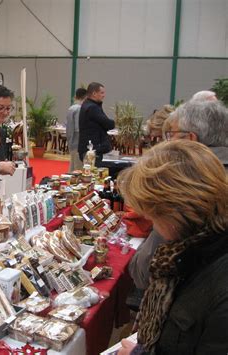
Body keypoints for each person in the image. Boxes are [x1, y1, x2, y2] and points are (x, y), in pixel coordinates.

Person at [118, 140, 228, 355]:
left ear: (174, 215)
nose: (152, 225)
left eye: (152, 217)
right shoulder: (188, 251)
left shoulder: (218, 285)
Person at [128, 99, 228, 294]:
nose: (166, 142)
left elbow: (144, 271)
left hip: (191, 303)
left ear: (190, 139)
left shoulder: (188, 185)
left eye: (170, 135)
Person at [78, 82, 115, 167]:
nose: (104, 95)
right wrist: (113, 123)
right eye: (101, 93)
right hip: (93, 149)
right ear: (94, 93)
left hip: (89, 148)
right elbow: (108, 124)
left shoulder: (87, 105)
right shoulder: (92, 108)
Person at [66, 87, 87, 171]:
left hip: (72, 141)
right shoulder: (79, 109)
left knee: (72, 166)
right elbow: (78, 129)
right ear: (85, 97)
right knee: (78, 168)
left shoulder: (71, 108)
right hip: (78, 142)